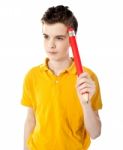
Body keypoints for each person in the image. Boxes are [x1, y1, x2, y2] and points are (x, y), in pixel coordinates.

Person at [21, 5, 103, 150]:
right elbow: (30, 120)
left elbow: (95, 133)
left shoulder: (87, 78)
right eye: (46, 37)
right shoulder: (32, 76)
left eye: (59, 38)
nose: (50, 45)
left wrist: (85, 104)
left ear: (72, 40)